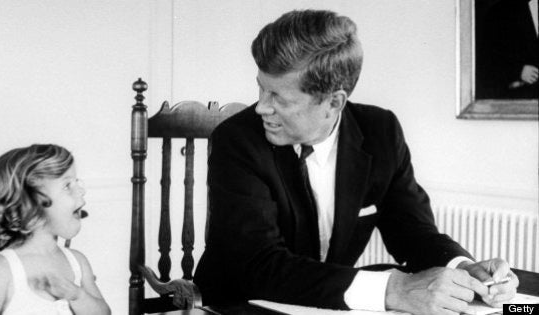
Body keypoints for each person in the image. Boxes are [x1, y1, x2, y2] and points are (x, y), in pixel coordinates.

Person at [193, 9, 518, 314]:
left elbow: (413, 232)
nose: (262, 107)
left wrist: (462, 269)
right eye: (261, 89)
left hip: (326, 305)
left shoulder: (381, 133)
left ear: (334, 101)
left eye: (279, 97)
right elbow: (258, 265)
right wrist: (393, 290)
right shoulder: (237, 140)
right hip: (237, 304)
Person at [0, 144, 110, 315]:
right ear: (29, 206)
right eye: (67, 185)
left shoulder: (78, 262)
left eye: (76, 182)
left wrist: (77, 295)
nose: (81, 190)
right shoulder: (1, 271)